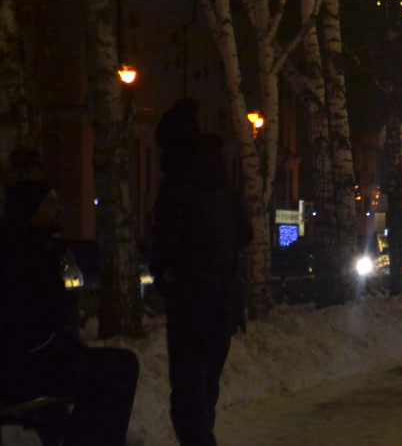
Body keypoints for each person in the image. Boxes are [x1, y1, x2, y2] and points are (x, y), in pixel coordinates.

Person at [0, 178, 139, 446]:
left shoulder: (40, 249)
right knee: (117, 370)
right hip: (23, 366)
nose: (59, 208)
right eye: (50, 202)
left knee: (119, 366)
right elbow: (24, 324)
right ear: (30, 209)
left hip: (41, 358)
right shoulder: (17, 255)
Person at [151, 99, 251, 446]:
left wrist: (167, 275)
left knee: (188, 394)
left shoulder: (178, 185)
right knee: (205, 389)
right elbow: (245, 234)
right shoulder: (219, 180)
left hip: (191, 301)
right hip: (222, 299)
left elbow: (163, 243)